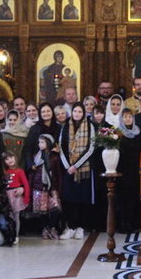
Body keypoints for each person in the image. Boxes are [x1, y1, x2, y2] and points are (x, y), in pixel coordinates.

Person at [58, 103, 96, 240]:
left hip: (83, 169)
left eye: (80, 111)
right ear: (72, 112)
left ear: (84, 113)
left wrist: (76, 166)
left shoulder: (89, 126)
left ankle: (80, 227)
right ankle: (71, 227)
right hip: (68, 169)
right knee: (69, 199)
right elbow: (61, 147)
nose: (77, 114)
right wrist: (68, 166)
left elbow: (91, 148)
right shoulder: (65, 127)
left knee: (81, 199)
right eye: (75, 111)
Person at [28, 134, 63, 240]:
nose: (40, 144)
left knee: (55, 208)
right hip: (38, 186)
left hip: (51, 186)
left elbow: (58, 174)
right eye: (39, 142)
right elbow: (33, 171)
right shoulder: (37, 156)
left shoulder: (54, 156)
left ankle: (52, 227)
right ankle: (45, 228)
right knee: (41, 209)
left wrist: (58, 187)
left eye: (42, 142)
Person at [116, 109, 141, 233]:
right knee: (123, 198)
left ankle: (132, 223)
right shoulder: (117, 133)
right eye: (125, 117)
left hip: (135, 170)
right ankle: (122, 224)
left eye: (130, 117)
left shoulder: (138, 132)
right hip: (122, 170)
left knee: (133, 197)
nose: (128, 119)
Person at [22, 103, 62, 172]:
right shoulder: (35, 128)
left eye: (48, 111)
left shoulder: (58, 128)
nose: (46, 113)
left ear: (52, 112)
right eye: (43, 112)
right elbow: (28, 148)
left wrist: (59, 149)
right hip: (38, 164)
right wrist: (31, 164)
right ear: (40, 114)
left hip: (55, 164)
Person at [2, 152, 30, 243]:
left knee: (16, 217)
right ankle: (9, 234)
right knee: (8, 216)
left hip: (15, 195)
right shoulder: (4, 172)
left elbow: (26, 184)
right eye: (7, 159)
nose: (10, 160)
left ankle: (16, 236)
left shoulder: (19, 171)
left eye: (11, 157)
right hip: (7, 195)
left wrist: (26, 198)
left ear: (15, 158)